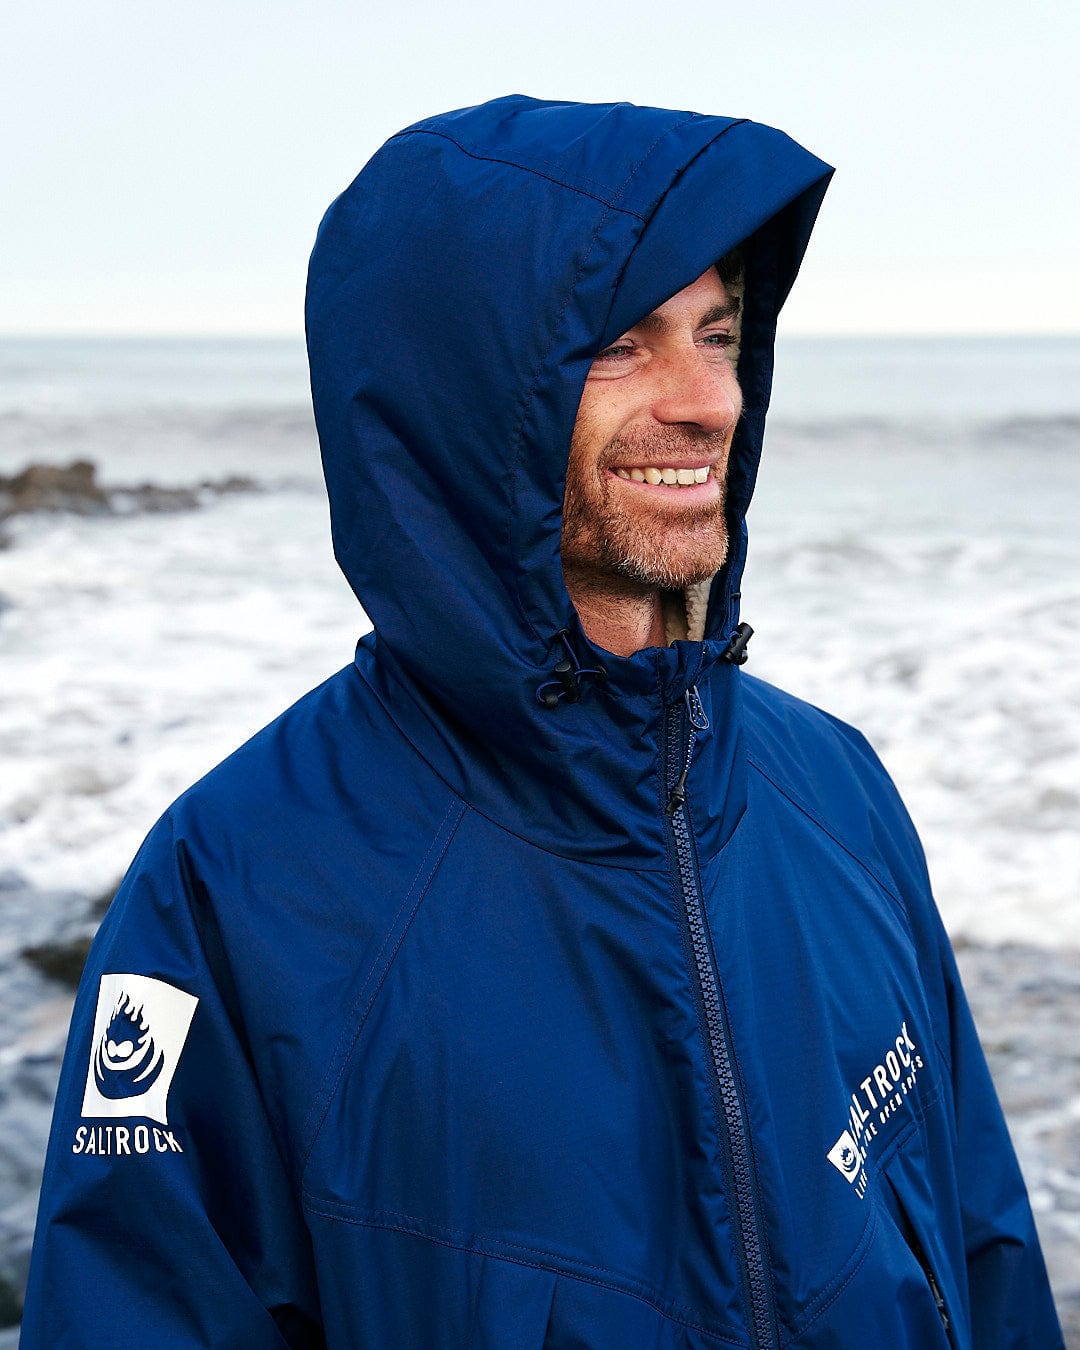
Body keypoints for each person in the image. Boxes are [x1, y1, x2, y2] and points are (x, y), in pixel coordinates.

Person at [21, 95, 1061, 1348]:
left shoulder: (833, 788)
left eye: (718, 335)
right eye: (623, 346)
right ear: (466, 399)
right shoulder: (235, 885)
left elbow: (986, 1261)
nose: (706, 402)